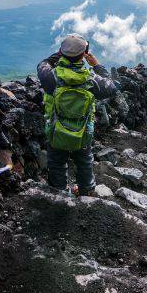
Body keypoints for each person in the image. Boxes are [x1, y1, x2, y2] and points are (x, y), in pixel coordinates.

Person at [37, 33, 117, 195]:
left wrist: (59, 54)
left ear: (61, 52)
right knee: (84, 160)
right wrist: (97, 65)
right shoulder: (92, 79)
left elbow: (42, 64)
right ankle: (86, 190)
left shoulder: (51, 76)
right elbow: (112, 87)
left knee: (57, 160)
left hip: (56, 127)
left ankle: (59, 191)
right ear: (84, 54)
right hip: (83, 129)